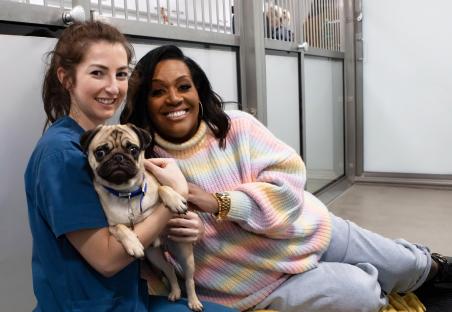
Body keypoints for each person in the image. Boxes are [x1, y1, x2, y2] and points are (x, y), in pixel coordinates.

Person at [120, 44, 452, 312]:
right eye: (158, 92)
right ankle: (379, 281)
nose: (174, 99)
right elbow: (149, 241)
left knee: (409, 265)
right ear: (145, 103)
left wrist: (220, 203)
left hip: (307, 229)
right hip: (253, 280)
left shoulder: (236, 126)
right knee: (362, 292)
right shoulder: (143, 163)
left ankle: (429, 268)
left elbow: (290, 181)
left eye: (183, 87)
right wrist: (176, 233)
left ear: (198, 90)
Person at [24, 22, 236, 312]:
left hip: (125, 298)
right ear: (67, 78)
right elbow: (108, 260)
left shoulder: (86, 138)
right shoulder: (63, 155)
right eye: (97, 72)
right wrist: (176, 191)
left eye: (121, 74)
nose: (113, 87)